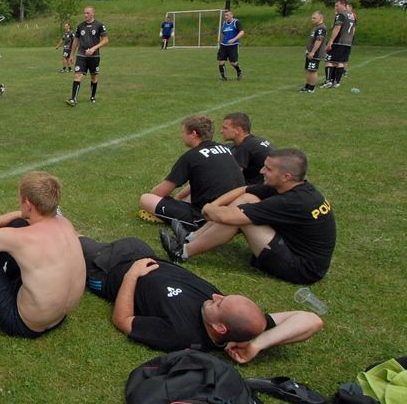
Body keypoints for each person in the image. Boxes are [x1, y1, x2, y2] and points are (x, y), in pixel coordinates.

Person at [81, 236, 323, 363]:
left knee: (72, 243)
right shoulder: (244, 326)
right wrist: (258, 344)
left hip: (108, 271)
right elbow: (311, 320)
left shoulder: (181, 333)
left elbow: (122, 321)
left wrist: (132, 275)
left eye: (219, 303)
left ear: (219, 327)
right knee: (80, 239)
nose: (216, 296)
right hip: (142, 253)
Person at [160, 148, 336, 285]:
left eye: (268, 168)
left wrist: (208, 208)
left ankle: (182, 252)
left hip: (302, 269)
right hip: (297, 251)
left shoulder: (293, 202)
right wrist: (214, 206)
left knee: (242, 218)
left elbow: (230, 218)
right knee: (247, 200)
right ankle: (191, 237)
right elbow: (244, 189)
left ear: (286, 176)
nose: (261, 171)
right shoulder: (292, 187)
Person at [0, 171, 84, 338]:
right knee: (18, 223)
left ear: (28, 204)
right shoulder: (65, 224)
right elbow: (21, 217)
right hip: (58, 316)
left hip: (23, 323)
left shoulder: (22, 239)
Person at [139, 115, 244, 231]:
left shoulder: (191, 156)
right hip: (236, 211)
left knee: (146, 199)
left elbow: (160, 192)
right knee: (188, 197)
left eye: (183, 132)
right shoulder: (225, 149)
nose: (181, 135)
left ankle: (179, 219)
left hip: (209, 216)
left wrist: (160, 199)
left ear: (194, 134)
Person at [67, 6, 108, 106]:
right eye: (84, 13)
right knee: (77, 75)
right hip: (81, 55)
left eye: (87, 13)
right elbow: (76, 40)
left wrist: (94, 48)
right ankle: (73, 99)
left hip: (94, 56)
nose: (85, 15)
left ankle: (92, 96)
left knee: (94, 77)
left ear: (93, 13)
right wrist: (72, 54)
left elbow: (106, 40)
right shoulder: (80, 26)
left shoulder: (99, 25)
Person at [220, 112, 272, 185]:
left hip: (260, 187)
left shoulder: (244, 147)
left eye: (225, 128)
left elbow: (234, 178)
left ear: (238, 130)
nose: (221, 131)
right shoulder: (256, 140)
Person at [321, 0, 355, 88]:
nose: (335, 8)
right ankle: (336, 82)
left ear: (343, 5)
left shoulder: (341, 15)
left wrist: (331, 41)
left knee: (329, 61)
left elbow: (337, 28)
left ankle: (328, 81)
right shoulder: (351, 15)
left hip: (338, 41)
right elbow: (353, 29)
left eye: (337, 6)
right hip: (347, 42)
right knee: (341, 62)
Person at [301, 11, 327, 92]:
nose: (312, 19)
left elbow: (319, 40)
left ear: (321, 18)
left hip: (316, 53)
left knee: (313, 71)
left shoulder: (321, 28)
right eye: (312, 18)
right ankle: (307, 86)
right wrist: (308, 50)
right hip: (310, 53)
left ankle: (311, 88)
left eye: (314, 18)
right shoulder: (316, 27)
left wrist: (313, 52)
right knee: (309, 70)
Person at [218, 9, 244, 81]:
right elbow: (224, 33)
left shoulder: (236, 22)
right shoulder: (224, 23)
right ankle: (224, 77)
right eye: (225, 15)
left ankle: (239, 71)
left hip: (233, 45)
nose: (226, 17)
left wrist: (234, 39)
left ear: (232, 15)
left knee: (233, 63)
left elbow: (242, 32)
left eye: (227, 15)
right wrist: (221, 40)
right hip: (224, 45)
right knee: (221, 62)